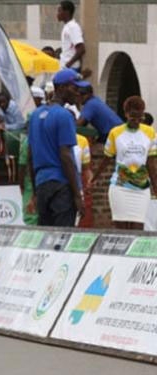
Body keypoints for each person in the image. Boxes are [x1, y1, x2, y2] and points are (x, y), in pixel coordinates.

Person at [27, 68, 86, 226]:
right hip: (61, 185)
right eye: (74, 88)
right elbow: (65, 155)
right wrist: (77, 195)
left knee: (46, 237)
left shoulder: (34, 116)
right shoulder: (64, 115)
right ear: (61, 88)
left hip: (42, 184)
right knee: (62, 238)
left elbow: (30, 156)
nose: (78, 92)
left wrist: (34, 191)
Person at [89, 96, 157, 230]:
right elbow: (107, 159)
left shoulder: (150, 132)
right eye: (132, 117)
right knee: (121, 229)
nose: (136, 121)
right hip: (120, 186)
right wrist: (94, 178)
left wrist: (155, 186)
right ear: (126, 114)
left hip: (141, 188)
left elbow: (151, 163)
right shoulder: (116, 132)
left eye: (139, 117)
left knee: (138, 228)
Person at [58, 1, 85, 71]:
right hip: (65, 67)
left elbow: (81, 49)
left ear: (66, 12)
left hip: (70, 68)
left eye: (59, 11)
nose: (57, 14)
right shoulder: (67, 27)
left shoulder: (73, 27)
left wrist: (68, 64)